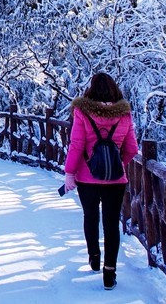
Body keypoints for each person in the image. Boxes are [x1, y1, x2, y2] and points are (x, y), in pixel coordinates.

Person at [62, 72, 139, 290]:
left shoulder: (82, 113)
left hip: (87, 178)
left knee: (90, 216)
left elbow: (76, 145)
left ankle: (94, 257)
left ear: (91, 90)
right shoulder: (124, 115)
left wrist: (70, 173)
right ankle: (109, 273)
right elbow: (132, 148)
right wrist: (116, 165)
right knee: (111, 224)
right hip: (116, 181)